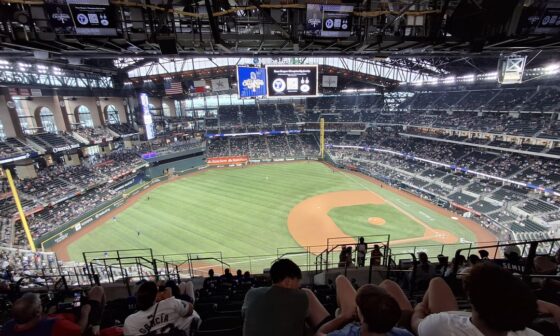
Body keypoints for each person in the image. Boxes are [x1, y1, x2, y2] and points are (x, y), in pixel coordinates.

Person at [411, 263, 550, 336]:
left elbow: (415, 323)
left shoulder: (442, 326)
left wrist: (419, 308)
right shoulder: (532, 334)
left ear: (470, 297)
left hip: (447, 321)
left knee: (436, 281)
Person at [242, 259, 330, 336]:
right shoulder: (303, 295)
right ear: (287, 282)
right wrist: (342, 316)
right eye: (298, 284)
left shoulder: (251, 294)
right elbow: (327, 329)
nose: (299, 288)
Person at [317, 275, 413, 336]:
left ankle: (340, 312)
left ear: (361, 318)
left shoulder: (347, 333)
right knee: (388, 284)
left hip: (352, 325)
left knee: (341, 279)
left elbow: (319, 333)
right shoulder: (403, 333)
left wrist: (343, 317)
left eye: (358, 307)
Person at [123, 281, 200, 335]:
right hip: (186, 328)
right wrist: (170, 299)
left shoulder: (129, 321)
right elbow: (190, 309)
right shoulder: (170, 303)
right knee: (188, 284)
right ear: (156, 297)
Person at [2, 293, 81, 336]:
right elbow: (79, 330)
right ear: (37, 312)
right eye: (40, 305)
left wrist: (48, 314)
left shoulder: (7, 327)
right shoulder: (56, 325)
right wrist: (85, 313)